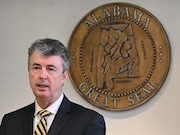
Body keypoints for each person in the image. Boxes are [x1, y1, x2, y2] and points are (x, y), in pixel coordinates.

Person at [0, 38, 106, 135]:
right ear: (29, 72)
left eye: (51, 69)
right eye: (36, 68)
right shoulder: (10, 122)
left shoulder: (89, 122)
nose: (42, 75)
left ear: (63, 77)